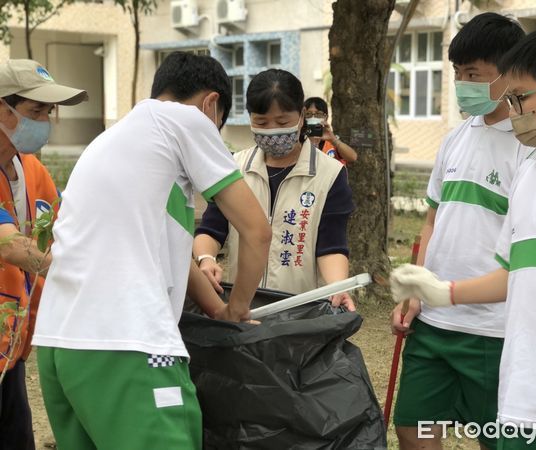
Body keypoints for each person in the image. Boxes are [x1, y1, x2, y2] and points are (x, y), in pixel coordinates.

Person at [32, 52, 271, 450]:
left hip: (61, 347)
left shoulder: (114, 140)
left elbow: (168, 248)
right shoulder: (186, 118)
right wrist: (238, 309)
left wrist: (217, 309)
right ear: (212, 104)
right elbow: (256, 230)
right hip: (127, 345)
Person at [390, 21, 536, 450]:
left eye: (520, 98)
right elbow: (512, 272)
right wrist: (435, 291)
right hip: (528, 394)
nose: (515, 110)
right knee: (417, 424)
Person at [389, 13, 528, 450]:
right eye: (457, 72)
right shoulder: (454, 138)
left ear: (509, 76)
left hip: (491, 328)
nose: (461, 83)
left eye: (474, 74)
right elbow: (431, 220)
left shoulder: (529, 147)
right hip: (432, 319)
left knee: (493, 436)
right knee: (414, 426)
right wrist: (415, 288)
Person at [194, 69, 356, 309]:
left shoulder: (330, 173)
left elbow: (331, 245)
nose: (272, 130)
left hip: (298, 310)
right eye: (261, 122)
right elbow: (211, 228)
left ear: (301, 117)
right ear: (249, 117)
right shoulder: (234, 168)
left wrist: (338, 287)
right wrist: (206, 258)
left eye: (282, 122)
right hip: (241, 306)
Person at [0, 59, 87, 450]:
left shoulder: (32, 170)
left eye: (49, 112)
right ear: (2, 110)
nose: (46, 122)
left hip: (13, 344)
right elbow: (11, 245)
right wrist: (82, 274)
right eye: (36, 111)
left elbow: (60, 231)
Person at [304, 96, 357, 164]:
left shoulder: (331, 141)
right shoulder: (298, 140)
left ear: (325, 117)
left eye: (318, 114)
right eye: (308, 114)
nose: (313, 117)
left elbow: (353, 158)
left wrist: (333, 140)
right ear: (302, 117)